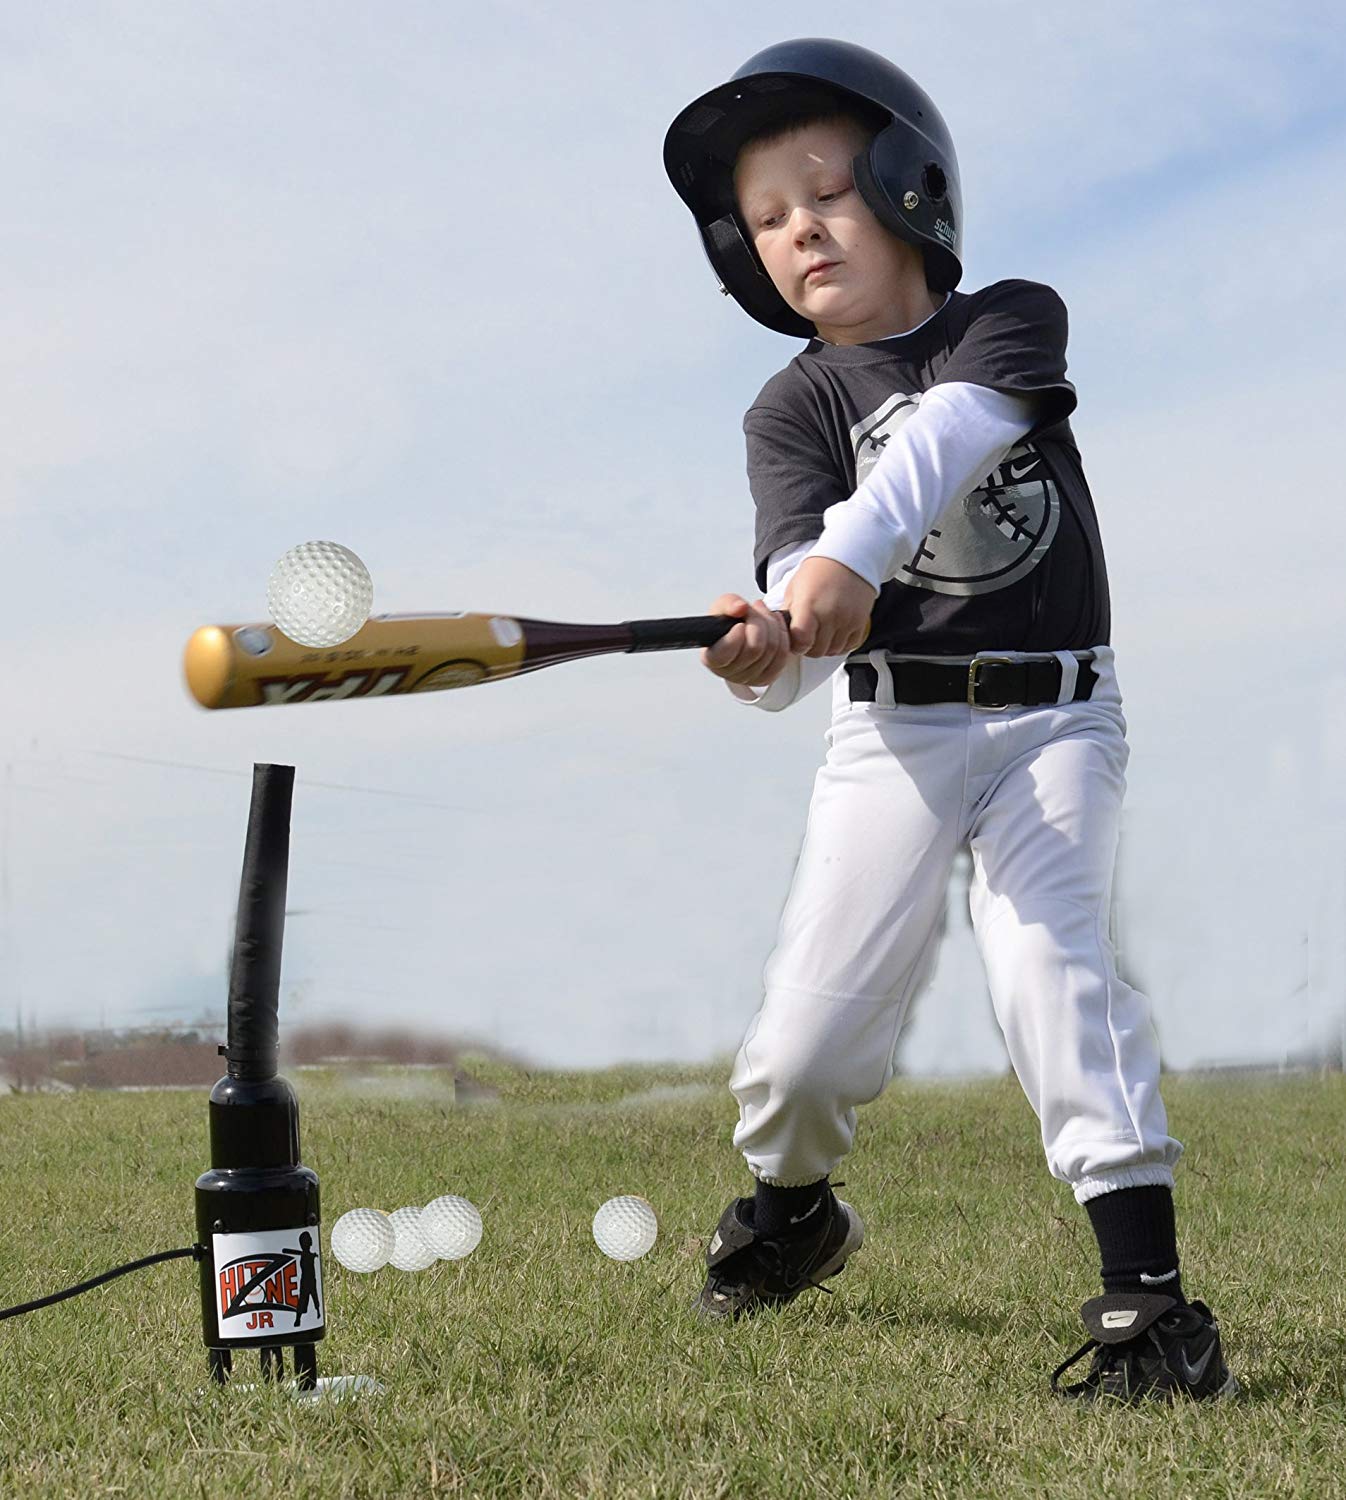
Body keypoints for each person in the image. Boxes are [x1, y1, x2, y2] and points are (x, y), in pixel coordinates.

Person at [663, 37, 1235, 1402]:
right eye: (765, 218)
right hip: (892, 738)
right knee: (798, 1058)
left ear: (910, 186)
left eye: (825, 190)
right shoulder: (788, 406)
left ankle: (1150, 1311)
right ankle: (793, 1214)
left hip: (1053, 721)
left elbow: (944, 443)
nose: (799, 228)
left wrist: (840, 564)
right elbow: (801, 611)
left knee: (1055, 973)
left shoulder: (1006, 322)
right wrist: (766, 650)